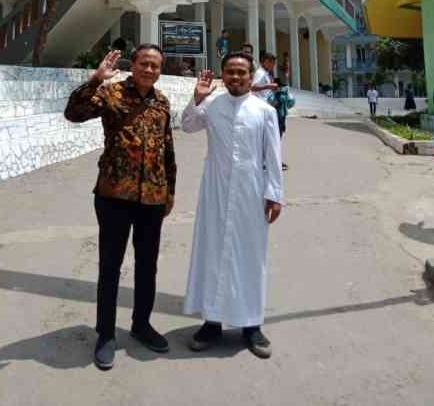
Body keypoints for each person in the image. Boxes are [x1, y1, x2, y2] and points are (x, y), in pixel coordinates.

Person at [64, 45, 176, 371]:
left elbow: (167, 149)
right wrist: (95, 79)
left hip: (153, 198)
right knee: (110, 266)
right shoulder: (112, 93)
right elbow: (74, 113)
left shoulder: (162, 102)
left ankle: (141, 325)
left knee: (147, 266)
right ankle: (106, 334)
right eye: (145, 63)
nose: (150, 70)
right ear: (134, 65)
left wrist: (170, 190)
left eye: (155, 66)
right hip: (114, 195)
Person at [181, 52, 283, 359]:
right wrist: (196, 98)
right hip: (215, 189)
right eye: (230, 72)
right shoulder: (212, 106)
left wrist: (275, 193)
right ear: (222, 76)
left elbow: (273, 155)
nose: (236, 77)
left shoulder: (264, 110)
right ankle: (211, 322)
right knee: (211, 252)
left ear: (251, 77)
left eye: (241, 72)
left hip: (252, 192)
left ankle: (251, 325)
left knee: (250, 256)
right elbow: (187, 125)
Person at [268, 79, 295, 171]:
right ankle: (273, 161)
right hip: (276, 119)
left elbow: (291, 103)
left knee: (276, 141)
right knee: (274, 141)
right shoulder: (274, 94)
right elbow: (291, 103)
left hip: (279, 120)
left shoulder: (278, 94)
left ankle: (275, 161)